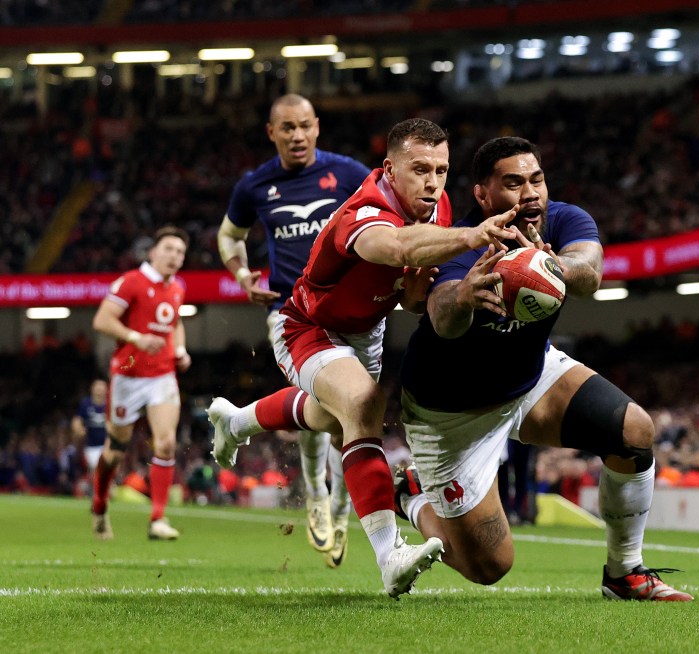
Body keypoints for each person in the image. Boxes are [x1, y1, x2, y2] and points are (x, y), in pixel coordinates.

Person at [206, 118, 516, 598]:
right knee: (364, 402)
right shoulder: (364, 212)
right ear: (390, 170)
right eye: (419, 169)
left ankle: (237, 422)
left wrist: (416, 296)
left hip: (367, 332)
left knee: (336, 418)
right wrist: (472, 236)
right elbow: (393, 246)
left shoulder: (439, 208)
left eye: (441, 170)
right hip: (308, 327)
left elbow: (413, 298)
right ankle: (390, 557)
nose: (433, 182)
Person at [396, 136, 693, 601]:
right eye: (513, 184)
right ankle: (411, 496)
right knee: (490, 567)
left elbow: (589, 274)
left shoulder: (565, 218)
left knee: (634, 430)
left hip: (529, 380)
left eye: (536, 179)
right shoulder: (460, 242)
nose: (530, 193)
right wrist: (465, 297)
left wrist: (550, 265)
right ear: (482, 194)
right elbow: (442, 319)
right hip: (450, 415)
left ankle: (624, 573)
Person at [217, 93, 371, 566]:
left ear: (317, 126)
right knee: (330, 405)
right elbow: (229, 234)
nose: (297, 136)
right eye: (287, 128)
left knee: (355, 413)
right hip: (292, 313)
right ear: (272, 132)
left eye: (305, 126)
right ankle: (317, 491)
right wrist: (242, 276)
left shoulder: (347, 173)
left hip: (353, 312)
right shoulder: (254, 185)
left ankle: (340, 509)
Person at [90, 225, 192, 541]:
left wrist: (179, 349)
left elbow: (174, 322)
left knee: (165, 442)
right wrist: (136, 337)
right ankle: (100, 504)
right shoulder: (131, 282)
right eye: (169, 249)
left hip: (162, 375)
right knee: (115, 451)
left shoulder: (177, 287)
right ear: (153, 252)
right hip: (129, 375)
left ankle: (158, 519)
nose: (174, 256)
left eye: (180, 252)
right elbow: (102, 320)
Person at [72, 378, 108, 476]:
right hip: (91, 445)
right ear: (92, 389)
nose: (99, 389)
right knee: (96, 470)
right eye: (97, 387)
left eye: (102, 387)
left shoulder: (110, 404)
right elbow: (77, 420)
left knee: (106, 469)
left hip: (107, 445)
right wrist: (79, 429)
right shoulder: (86, 404)